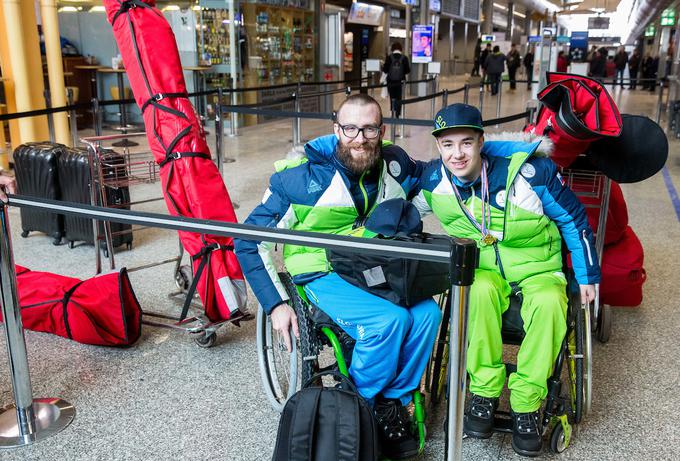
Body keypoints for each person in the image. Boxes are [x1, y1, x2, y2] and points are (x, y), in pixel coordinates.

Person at [234, 94, 441, 460]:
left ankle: (391, 399)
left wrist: (499, 155)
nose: (359, 138)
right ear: (336, 129)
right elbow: (249, 241)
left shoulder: (394, 163)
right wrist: (276, 304)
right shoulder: (298, 180)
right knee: (388, 322)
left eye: (369, 128)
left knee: (427, 315)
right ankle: (359, 402)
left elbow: (436, 175)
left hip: (371, 263)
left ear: (382, 130)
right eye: (350, 128)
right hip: (320, 269)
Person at [412, 104, 600, 457]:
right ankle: (483, 391)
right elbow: (398, 210)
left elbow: (573, 218)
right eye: (448, 145)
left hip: (538, 268)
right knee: (474, 291)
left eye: (466, 143)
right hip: (484, 271)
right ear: (438, 147)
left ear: (481, 142)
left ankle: (527, 403)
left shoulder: (531, 173)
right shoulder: (432, 183)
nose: (457, 154)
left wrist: (589, 275)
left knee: (549, 303)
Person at [382, 42, 411, 118]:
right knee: (399, 97)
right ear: (401, 49)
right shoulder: (404, 58)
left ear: (392, 49)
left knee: (392, 97)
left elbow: (385, 69)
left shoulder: (389, 57)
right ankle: (398, 114)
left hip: (390, 81)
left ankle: (393, 112)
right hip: (400, 82)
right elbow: (408, 70)